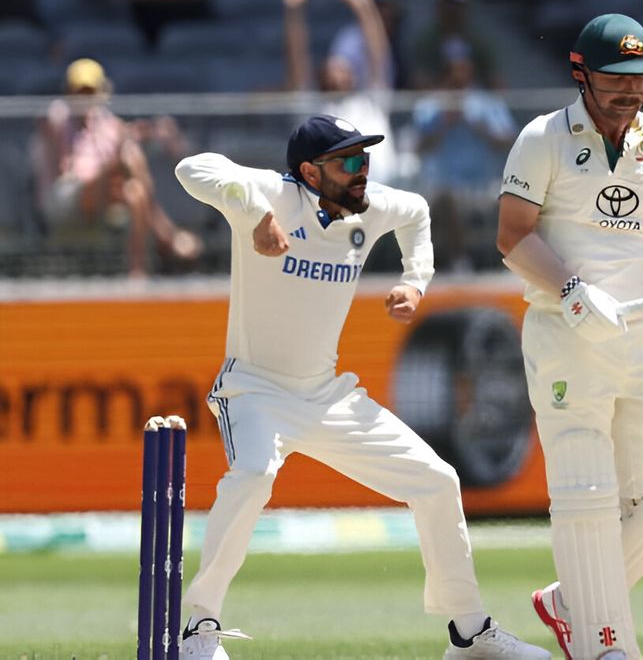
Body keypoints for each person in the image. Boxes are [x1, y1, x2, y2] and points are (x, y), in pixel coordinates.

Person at [173, 114, 550, 660]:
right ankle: (199, 629)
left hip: (327, 395)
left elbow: (417, 212)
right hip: (255, 389)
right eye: (348, 162)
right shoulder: (270, 195)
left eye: (365, 159)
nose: (362, 172)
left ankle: (470, 633)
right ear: (308, 170)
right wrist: (255, 215)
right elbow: (193, 167)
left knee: (438, 480)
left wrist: (414, 281)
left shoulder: (368, 207)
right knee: (253, 473)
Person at [496, 13, 643, 660]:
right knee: (584, 495)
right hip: (564, 334)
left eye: (641, 79)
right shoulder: (542, 138)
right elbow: (512, 235)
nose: (631, 92)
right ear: (579, 74)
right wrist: (570, 289)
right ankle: (605, 646)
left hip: (642, 334)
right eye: (616, 79)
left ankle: (570, 602)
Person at [32, 57, 201, 276]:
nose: (84, 98)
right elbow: (46, 123)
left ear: (102, 92)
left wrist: (146, 131)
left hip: (103, 199)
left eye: (90, 92)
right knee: (128, 155)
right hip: (66, 196)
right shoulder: (59, 117)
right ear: (68, 92)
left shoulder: (109, 124)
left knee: (135, 192)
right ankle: (167, 237)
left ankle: (137, 273)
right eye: (78, 91)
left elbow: (123, 147)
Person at [283, 0, 406, 187]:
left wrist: (362, 5)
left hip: (379, 194)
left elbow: (378, 55)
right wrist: (293, 10)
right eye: (331, 63)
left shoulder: (371, 100)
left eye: (344, 65)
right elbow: (296, 59)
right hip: (332, 202)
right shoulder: (312, 109)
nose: (337, 66)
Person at [413, 38, 516, 271]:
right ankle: (461, 262)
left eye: (463, 70)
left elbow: (508, 142)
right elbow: (419, 148)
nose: (458, 77)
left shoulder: (488, 103)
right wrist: (444, 122)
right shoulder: (429, 106)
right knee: (447, 198)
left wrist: (480, 127)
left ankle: (511, 262)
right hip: (442, 185)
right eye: (451, 70)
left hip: (484, 183)